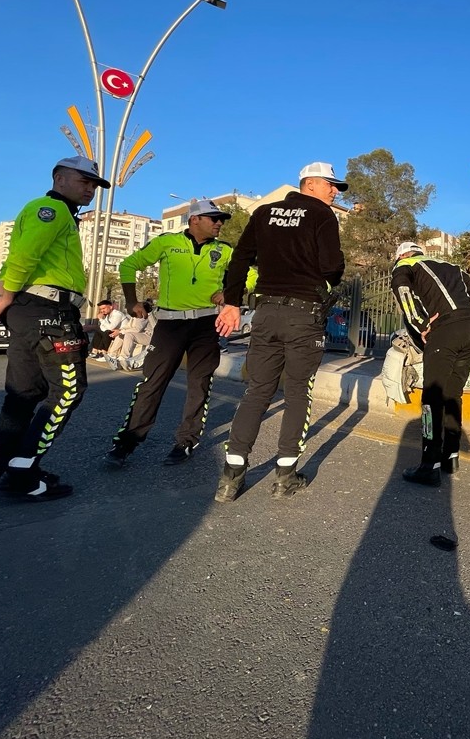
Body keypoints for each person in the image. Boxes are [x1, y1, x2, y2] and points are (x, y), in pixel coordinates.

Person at [0, 155, 109, 502]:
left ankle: (6, 469)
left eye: (94, 184)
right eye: (84, 181)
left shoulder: (54, 213)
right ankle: (20, 472)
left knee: (23, 394)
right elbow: (23, 257)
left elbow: (15, 258)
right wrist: (2, 300)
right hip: (47, 312)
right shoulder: (50, 210)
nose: (90, 189)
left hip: (30, 311)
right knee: (68, 391)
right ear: (59, 178)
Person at [213, 162, 347, 502]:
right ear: (311, 184)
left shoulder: (263, 212)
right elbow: (332, 266)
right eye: (331, 185)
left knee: (257, 390)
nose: (335, 191)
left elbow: (240, 258)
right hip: (303, 315)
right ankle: (285, 476)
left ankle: (231, 477)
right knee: (298, 391)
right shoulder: (322, 215)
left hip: (266, 313)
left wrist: (231, 302)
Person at [103, 198, 233, 467]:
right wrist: (130, 300)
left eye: (221, 219)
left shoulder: (225, 250)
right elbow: (129, 265)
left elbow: (250, 277)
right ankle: (127, 442)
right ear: (194, 219)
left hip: (206, 325)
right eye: (214, 218)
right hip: (170, 324)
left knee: (200, 384)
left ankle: (186, 441)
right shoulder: (166, 243)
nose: (219, 223)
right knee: (152, 382)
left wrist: (230, 293)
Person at [390, 242, 470, 486]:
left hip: (445, 330)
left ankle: (429, 465)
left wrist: (421, 324)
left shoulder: (405, 265)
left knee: (432, 399)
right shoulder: (451, 267)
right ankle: (450, 456)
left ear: (403, 255)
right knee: (453, 395)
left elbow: (402, 291)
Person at [106, 301, 155, 370]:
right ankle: (112, 355)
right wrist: (119, 331)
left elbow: (137, 329)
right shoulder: (135, 315)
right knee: (121, 334)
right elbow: (128, 326)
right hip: (142, 334)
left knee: (129, 335)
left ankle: (123, 358)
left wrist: (121, 331)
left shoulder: (144, 315)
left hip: (150, 337)